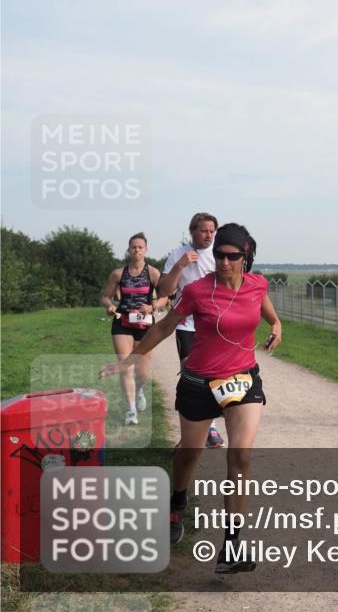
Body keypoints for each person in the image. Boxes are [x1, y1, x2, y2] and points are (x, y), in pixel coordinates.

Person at [100, 223, 281, 574]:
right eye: (219, 255)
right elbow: (166, 326)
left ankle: (231, 547)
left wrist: (276, 326)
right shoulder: (198, 290)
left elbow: (266, 310)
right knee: (189, 454)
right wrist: (135, 354)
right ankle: (177, 501)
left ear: (246, 257)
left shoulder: (258, 284)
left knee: (241, 455)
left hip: (243, 380)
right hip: (199, 382)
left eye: (232, 256)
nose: (223, 261)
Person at [159, 212, 224, 448]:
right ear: (192, 231)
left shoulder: (220, 255)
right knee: (190, 375)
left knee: (215, 374)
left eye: (212, 231)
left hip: (215, 323)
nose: (208, 235)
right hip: (186, 323)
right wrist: (180, 266)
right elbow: (163, 291)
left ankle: (212, 428)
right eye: (204, 230)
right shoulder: (177, 255)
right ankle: (189, 434)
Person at [100, 232, 169, 425]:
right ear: (129, 249)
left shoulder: (153, 273)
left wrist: (153, 306)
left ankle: (138, 390)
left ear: (146, 249)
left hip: (144, 324)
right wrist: (109, 305)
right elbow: (105, 296)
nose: (137, 250)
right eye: (133, 247)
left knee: (143, 371)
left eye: (140, 247)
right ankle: (131, 410)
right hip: (122, 322)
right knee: (125, 366)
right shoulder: (118, 273)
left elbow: (165, 297)